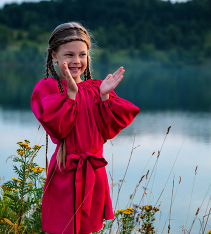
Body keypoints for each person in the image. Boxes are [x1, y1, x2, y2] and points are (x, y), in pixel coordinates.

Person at [31, 22, 140, 234]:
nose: (76, 61)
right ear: (54, 56)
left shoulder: (95, 88)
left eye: (82, 55)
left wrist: (104, 96)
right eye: (69, 55)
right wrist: (71, 94)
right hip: (65, 172)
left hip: (93, 173)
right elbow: (58, 130)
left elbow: (107, 130)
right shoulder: (49, 88)